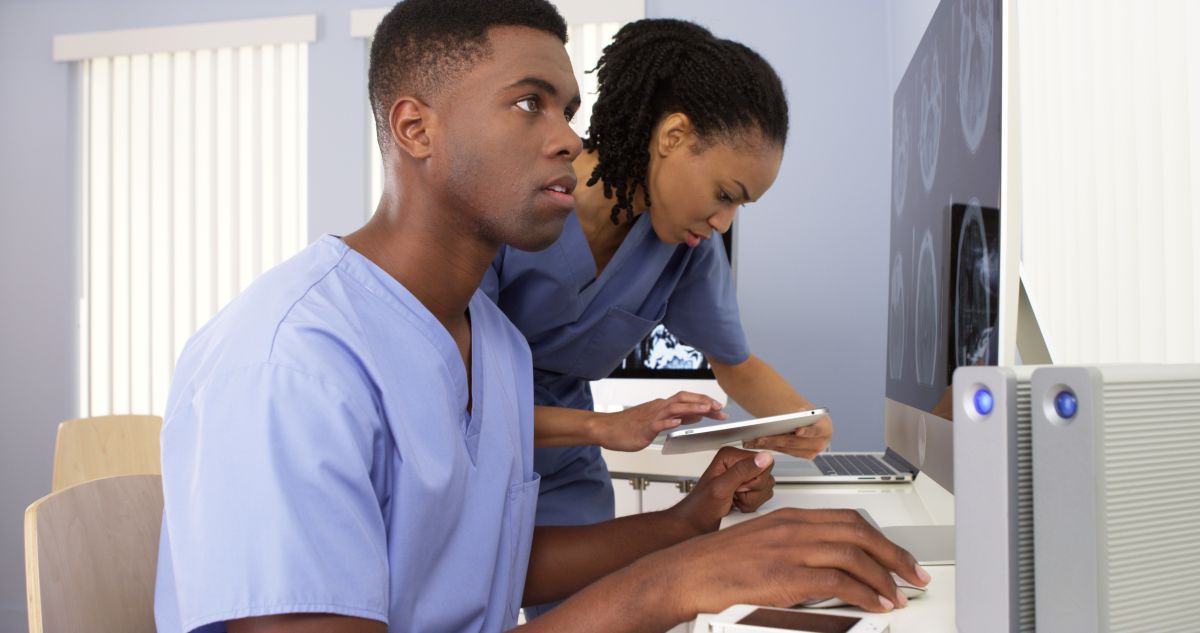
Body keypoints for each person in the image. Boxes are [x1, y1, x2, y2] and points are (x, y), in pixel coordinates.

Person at [154, 2, 929, 632]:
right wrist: (673, 581)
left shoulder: (491, 345)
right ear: (415, 128)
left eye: (568, 109)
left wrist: (691, 522)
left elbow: (478, 564)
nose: (567, 138)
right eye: (530, 104)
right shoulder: (290, 367)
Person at [480, 20, 836, 614]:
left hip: (563, 466)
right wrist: (606, 429)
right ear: (673, 136)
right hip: (468, 453)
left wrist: (804, 422)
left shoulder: (685, 245)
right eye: (725, 193)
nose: (724, 221)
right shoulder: (520, 196)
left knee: (592, 614)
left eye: (739, 207)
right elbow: (463, 395)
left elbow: (735, 363)